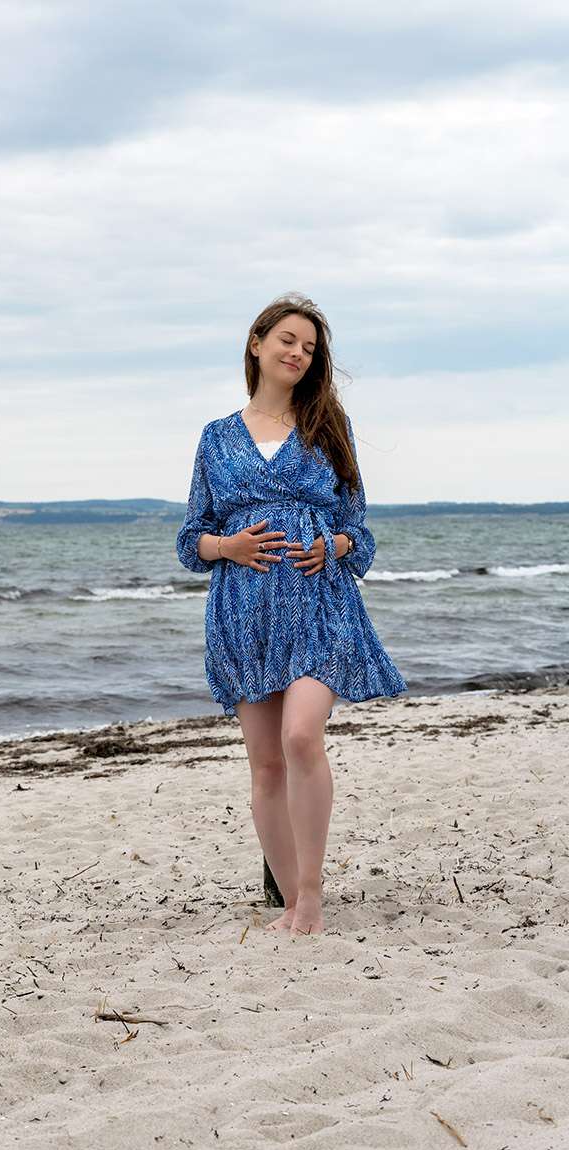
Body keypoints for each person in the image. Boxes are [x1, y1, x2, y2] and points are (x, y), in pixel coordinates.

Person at [175, 292, 407, 936]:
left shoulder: (330, 428)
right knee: (266, 765)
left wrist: (334, 544)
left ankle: (310, 894)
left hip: (320, 604)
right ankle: (286, 904)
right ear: (257, 345)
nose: (297, 353)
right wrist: (229, 546)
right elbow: (189, 538)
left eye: (309, 347)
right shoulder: (217, 438)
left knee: (302, 737)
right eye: (287, 340)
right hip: (243, 615)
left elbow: (360, 530)